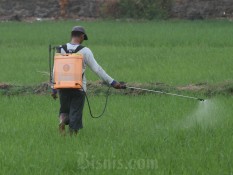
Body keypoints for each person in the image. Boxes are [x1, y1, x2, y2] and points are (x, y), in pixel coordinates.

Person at [51, 26, 125, 135]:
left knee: (64, 110)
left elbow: (55, 70)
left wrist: (53, 88)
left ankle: (62, 121)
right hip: (78, 87)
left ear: (72, 35)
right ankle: (72, 138)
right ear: (81, 36)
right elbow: (97, 69)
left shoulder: (61, 48)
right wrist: (113, 82)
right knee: (75, 112)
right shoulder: (85, 51)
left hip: (62, 86)